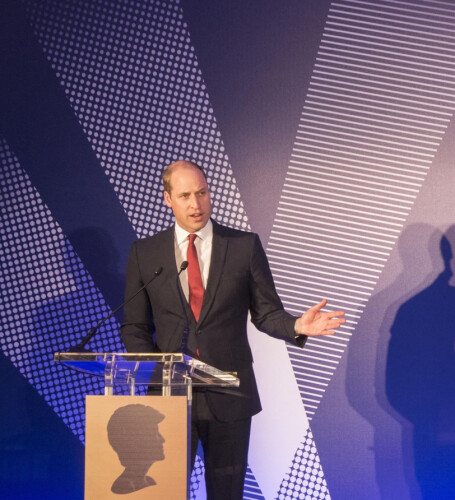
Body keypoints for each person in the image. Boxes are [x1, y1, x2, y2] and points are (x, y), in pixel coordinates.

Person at [121, 160, 345, 500]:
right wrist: (159, 371)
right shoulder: (145, 253)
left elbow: (267, 312)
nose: (196, 204)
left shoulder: (243, 246)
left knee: (226, 494)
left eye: (202, 193)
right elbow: (135, 326)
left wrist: (296, 325)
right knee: (162, 493)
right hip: (169, 398)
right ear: (168, 199)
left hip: (229, 393)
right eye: (184, 196)